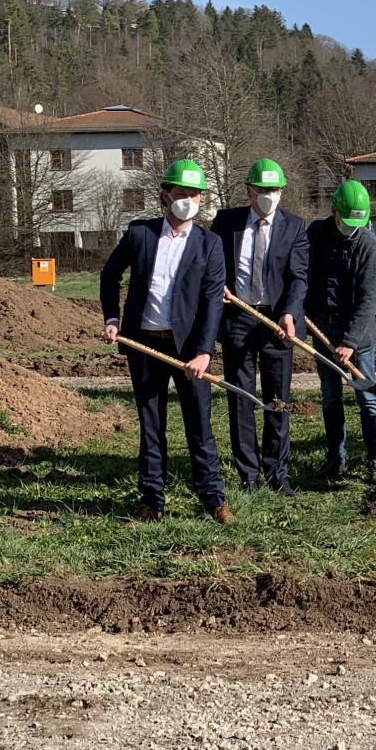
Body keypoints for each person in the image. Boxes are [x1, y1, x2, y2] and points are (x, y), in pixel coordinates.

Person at [101, 159, 231, 524]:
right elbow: (110, 275)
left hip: (188, 350)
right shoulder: (139, 233)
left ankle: (213, 499)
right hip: (144, 344)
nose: (188, 200)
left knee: (199, 425)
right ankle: (151, 500)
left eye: (195, 194)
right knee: (151, 424)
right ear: (165, 195)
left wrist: (204, 352)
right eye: (181, 193)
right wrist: (112, 319)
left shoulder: (210, 244)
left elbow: (212, 301)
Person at [211, 158, 307, 495]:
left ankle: (277, 473)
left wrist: (290, 313)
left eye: (275, 189)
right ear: (249, 190)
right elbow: (212, 263)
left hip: (276, 322)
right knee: (241, 397)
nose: (269, 195)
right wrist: (218, 287)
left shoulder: (294, 226)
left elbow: (298, 277)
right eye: (263, 189)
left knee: (278, 398)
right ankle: (248, 475)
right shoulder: (226, 223)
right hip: (237, 316)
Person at [308, 180, 376, 486]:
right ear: (334, 211)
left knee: (367, 398)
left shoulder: (369, 246)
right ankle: (335, 458)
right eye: (346, 221)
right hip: (322, 328)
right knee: (330, 397)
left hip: (358, 335)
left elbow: (368, 300)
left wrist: (350, 342)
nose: (351, 228)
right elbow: (304, 274)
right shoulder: (316, 233)